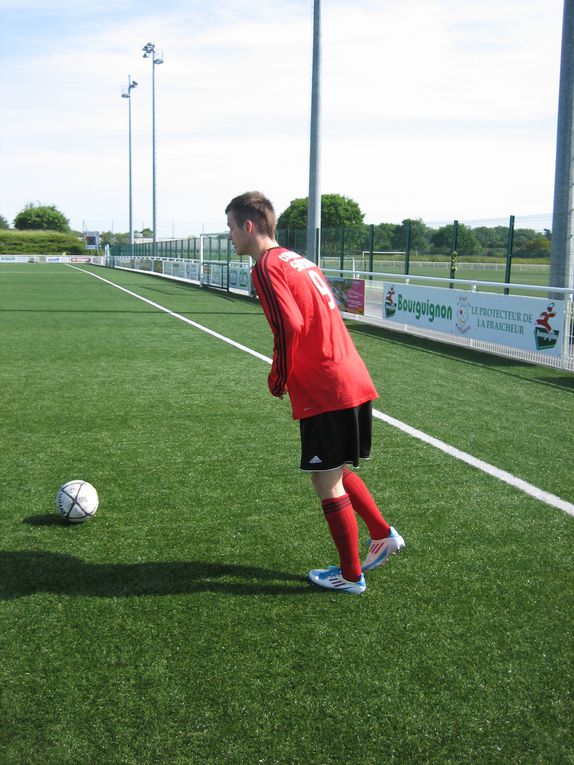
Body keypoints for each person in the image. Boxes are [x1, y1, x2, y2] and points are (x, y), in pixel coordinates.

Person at [225, 191, 405, 594]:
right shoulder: (299, 260)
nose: (230, 237)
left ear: (249, 226)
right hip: (350, 375)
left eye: (232, 228)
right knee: (338, 469)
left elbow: (289, 327)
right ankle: (383, 535)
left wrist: (279, 375)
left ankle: (351, 575)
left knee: (325, 480)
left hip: (325, 386)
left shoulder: (266, 267)